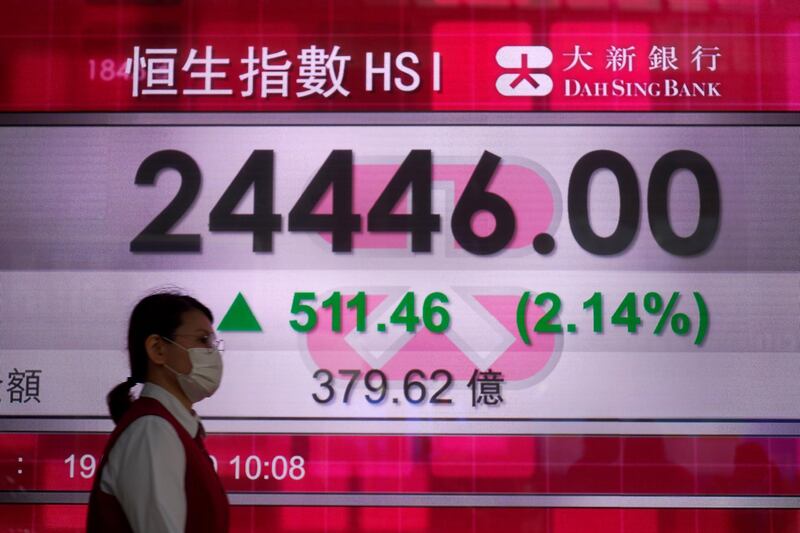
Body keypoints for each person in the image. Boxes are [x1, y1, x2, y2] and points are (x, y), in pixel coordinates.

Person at [86, 292, 229, 533]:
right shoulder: (153, 431)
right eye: (203, 340)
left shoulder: (174, 429)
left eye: (214, 344)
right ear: (158, 349)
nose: (212, 353)